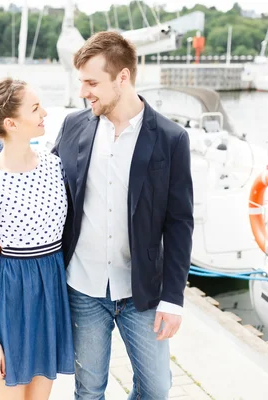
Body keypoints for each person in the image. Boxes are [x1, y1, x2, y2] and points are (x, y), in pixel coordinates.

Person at [52, 31, 194, 399]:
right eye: (82, 82)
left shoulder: (171, 138)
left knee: (156, 389)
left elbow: (180, 224)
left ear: (123, 77)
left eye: (92, 82)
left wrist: (173, 299)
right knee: (89, 390)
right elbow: (46, 189)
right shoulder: (73, 126)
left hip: (142, 292)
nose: (85, 91)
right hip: (83, 287)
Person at [0, 77, 75, 400]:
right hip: (10, 299)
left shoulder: (55, 166)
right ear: (11, 123)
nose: (45, 113)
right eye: (35, 108)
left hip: (49, 294)